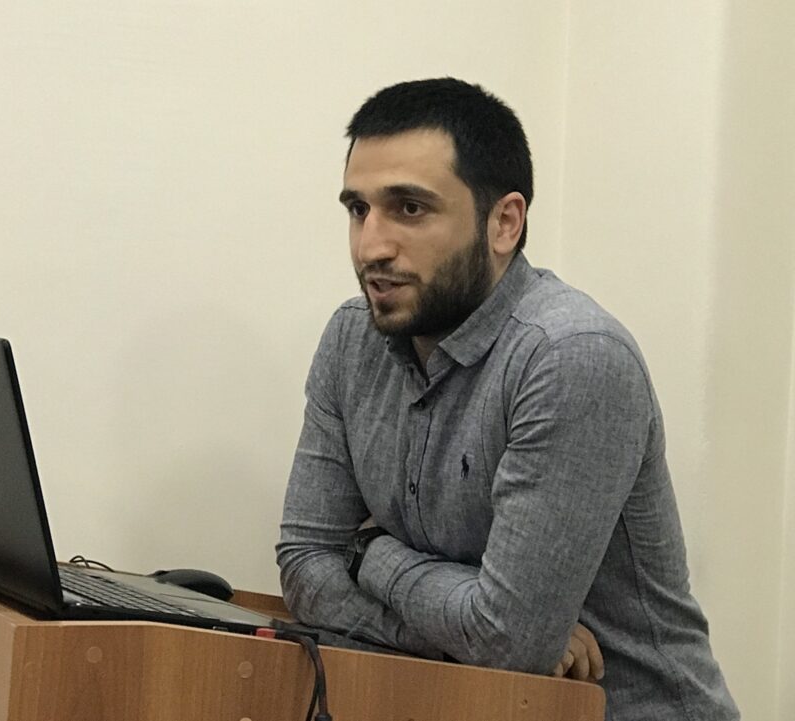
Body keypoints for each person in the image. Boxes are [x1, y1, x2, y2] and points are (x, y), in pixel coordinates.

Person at [276, 77, 739, 720]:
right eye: (359, 209)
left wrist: (366, 554)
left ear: (504, 223)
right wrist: (456, 631)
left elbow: (507, 642)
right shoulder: (352, 339)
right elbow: (304, 564)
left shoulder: (571, 355)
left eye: (409, 208)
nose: (371, 246)